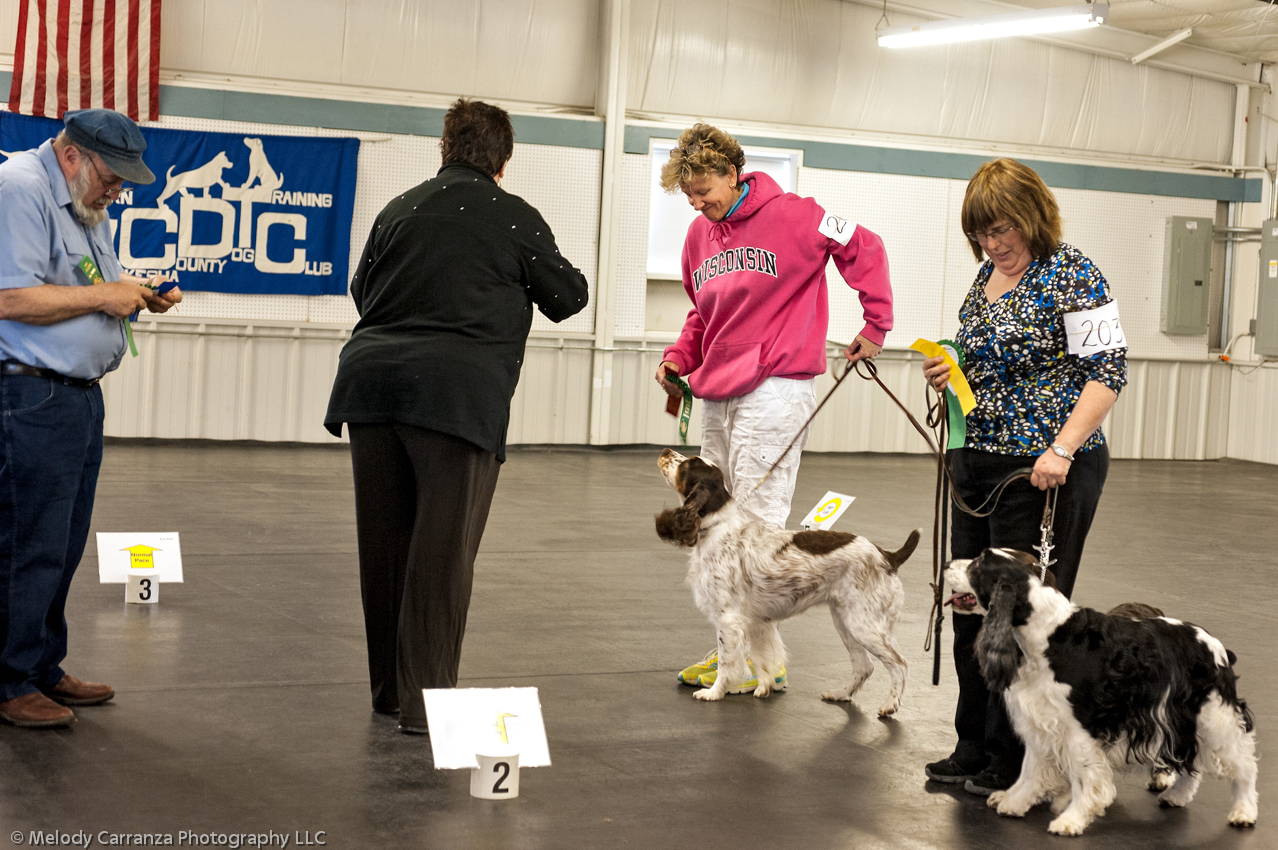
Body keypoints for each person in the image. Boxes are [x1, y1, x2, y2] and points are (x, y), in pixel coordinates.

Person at [325, 99, 589, 734]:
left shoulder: (399, 209)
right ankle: (427, 708)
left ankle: (389, 693)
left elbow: (363, 291)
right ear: (503, 159)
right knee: (441, 554)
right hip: (455, 399)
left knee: (384, 546)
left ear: (443, 148)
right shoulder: (515, 217)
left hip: (371, 388)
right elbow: (568, 296)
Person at [654, 124, 894, 693]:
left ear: (733, 172)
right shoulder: (698, 236)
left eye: (703, 187)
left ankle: (759, 660)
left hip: (776, 384)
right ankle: (738, 652)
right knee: (714, 524)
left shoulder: (797, 215)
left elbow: (866, 246)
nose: (696, 201)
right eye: (687, 193)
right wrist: (678, 358)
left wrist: (875, 325)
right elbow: (701, 315)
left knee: (758, 525)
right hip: (717, 389)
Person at [921, 158, 1127, 795]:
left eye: (1002, 228)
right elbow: (983, 363)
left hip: (1045, 470)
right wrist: (947, 373)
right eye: (981, 233)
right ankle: (972, 741)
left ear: (1033, 217)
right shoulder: (985, 275)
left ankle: (1018, 761)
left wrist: (1062, 449)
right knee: (967, 605)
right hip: (976, 460)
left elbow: (1108, 373)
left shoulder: (1074, 273)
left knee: (1020, 615)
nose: (992, 243)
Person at [0, 108, 181, 728]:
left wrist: (135, 290)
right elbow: (9, 297)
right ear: (73, 155)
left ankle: (41, 666)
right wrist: (107, 295)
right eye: (113, 176)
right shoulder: (20, 187)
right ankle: (9, 680)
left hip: (74, 397)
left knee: (63, 544)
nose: (119, 190)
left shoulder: (85, 204)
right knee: (27, 545)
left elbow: (86, 285)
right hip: (29, 396)